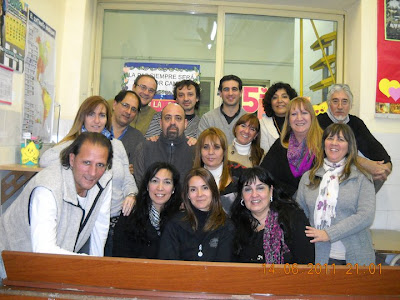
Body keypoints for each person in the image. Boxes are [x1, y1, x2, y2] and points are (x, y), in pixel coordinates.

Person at [0, 132, 113, 279]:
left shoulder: (104, 180)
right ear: (72, 159)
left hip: (49, 266)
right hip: (8, 265)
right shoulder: (48, 187)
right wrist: (87, 263)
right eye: (86, 162)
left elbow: (100, 228)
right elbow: (43, 250)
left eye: (100, 165)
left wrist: (96, 273)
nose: (93, 172)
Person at [40, 95, 138, 256]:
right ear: (82, 117)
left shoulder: (117, 145)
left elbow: (128, 178)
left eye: (102, 115)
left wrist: (132, 195)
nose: (97, 121)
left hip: (117, 222)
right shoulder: (75, 145)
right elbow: (45, 159)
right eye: (91, 114)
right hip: (87, 222)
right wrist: (80, 144)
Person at [296, 123, 376, 265]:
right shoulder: (308, 177)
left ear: (349, 146)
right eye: (330, 138)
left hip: (354, 257)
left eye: (341, 139)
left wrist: (329, 233)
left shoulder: (362, 178)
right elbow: (299, 214)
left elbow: (366, 216)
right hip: (318, 257)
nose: (334, 143)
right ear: (324, 143)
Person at [231, 167, 314, 264]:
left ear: (271, 191)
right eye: (248, 189)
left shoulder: (293, 219)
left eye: (260, 188)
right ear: (241, 195)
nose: (254, 195)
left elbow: (306, 265)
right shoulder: (234, 226)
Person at [317, 84, 392, 191]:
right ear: (328, 104)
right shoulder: (319, 122)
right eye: (335, 101)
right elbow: (330, 155)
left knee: (378, 176)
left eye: (344, 101)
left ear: (351, 105)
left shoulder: (356, 123)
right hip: (324, 173)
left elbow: (376, 150)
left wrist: (385, 167)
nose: (340, 106)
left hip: (349, 174)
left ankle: (362, 204)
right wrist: (365, 163)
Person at [158, 168, 234, 262]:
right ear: (188, 195)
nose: (199, 194)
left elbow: (225, 269)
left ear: (213, 191)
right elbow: (167, 267)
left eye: (205, 188)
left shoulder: (226, 226)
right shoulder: (174, 225)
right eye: (193, 189)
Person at [113, 162, 182, 258]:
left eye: (167, 182)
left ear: (173, 188)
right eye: (155, 181)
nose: (160, 188)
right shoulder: (130, 212)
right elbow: (119, 254)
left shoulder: (180, 217)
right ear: (147, 185)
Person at [260, 97, 323, 198]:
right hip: (286, 206)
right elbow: (263, 175)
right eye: (294, 114)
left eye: (304, 113)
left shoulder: (325, 144)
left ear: (312, 116)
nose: (299, 118)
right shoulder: (280, 145)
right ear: (288, 120)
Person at [133, 103, 195, 186]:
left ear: (185, 124)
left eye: (178, 118)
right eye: (168, 118)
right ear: (161, 123)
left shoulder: (195, 151)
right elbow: (140, 186)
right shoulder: (144, 149)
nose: (173, 122)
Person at [194, 127, 245, 214]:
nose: (210, 152)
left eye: (216, 147)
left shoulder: (239, 173)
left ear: (224, 150)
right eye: (205, 147)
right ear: (199, 151)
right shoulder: (192, 178)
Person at [198, 75, 247, 144]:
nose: (230, 93)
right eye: (226, 89)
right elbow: (202, 147)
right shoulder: (208, 119)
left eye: (234, 89)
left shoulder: (249, 120)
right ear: (220, 93)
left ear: (241, 93)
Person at [111, 90, 145, 174]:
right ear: (114, 104)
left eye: (133, 109)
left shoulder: (138, 139)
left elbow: (137, 170)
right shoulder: (98, 129)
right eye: (125, 105)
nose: (128, 112)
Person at [259, 82, 298, 152]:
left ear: (292, 100)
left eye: (284, 97)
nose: (279, 101)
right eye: (275, 97)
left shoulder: (300, 122)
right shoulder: (262, 124)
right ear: (270, 102)